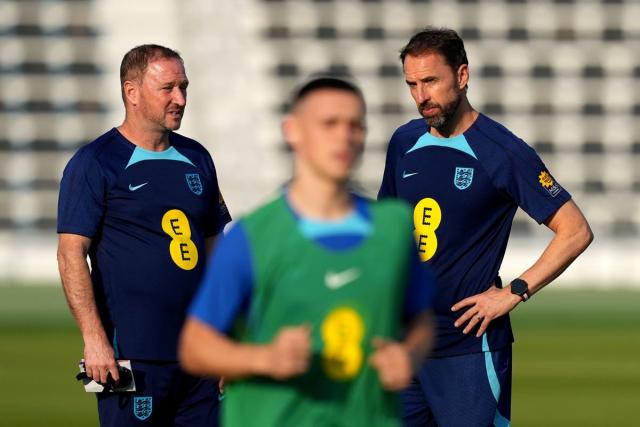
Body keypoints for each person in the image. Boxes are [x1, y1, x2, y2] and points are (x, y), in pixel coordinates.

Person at [179, 76, 435, 427]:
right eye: (329, 124)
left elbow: (421, 320)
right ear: (293, 131)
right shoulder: (252, 236)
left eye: (355, 126)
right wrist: (265, 359)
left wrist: (409, 354)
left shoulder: (393, 228)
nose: (344, 137)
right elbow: (195, 346)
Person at [378, 28, 593, 427]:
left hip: (469, 351)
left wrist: (514, 292)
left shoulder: (503, 152)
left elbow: (576, 230)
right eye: (411, 84)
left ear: (462, 76)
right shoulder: (403, 141)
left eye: (430, 81)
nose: (421, 96)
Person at [57, 44, 231, 426]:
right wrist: (94, 339)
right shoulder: (95, 162)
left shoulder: (198, 157)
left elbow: (218, 254)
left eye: (184, 86)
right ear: (131, 92)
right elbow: (71, 253)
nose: (180, 98)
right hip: (132, 359)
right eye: (168, 88)